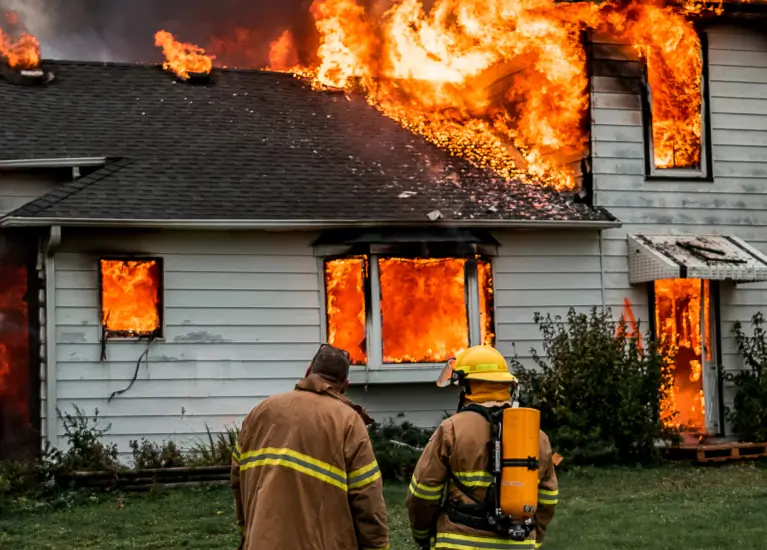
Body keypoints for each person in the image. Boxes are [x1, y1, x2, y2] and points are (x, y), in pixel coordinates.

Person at [231, 343, 390, 550]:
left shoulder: (261, 412)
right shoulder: (348, 422)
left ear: (308, 372)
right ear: (345, 385)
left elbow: (237, 478)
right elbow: (367, 498)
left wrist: (250, 530)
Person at [406, 345, 559, 550]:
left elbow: (423, 493)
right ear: (506, 385)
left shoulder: (452, 429)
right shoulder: (537, 436)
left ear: (468, 386)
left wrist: (422, 535)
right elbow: (548, 498)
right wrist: (534, 538)